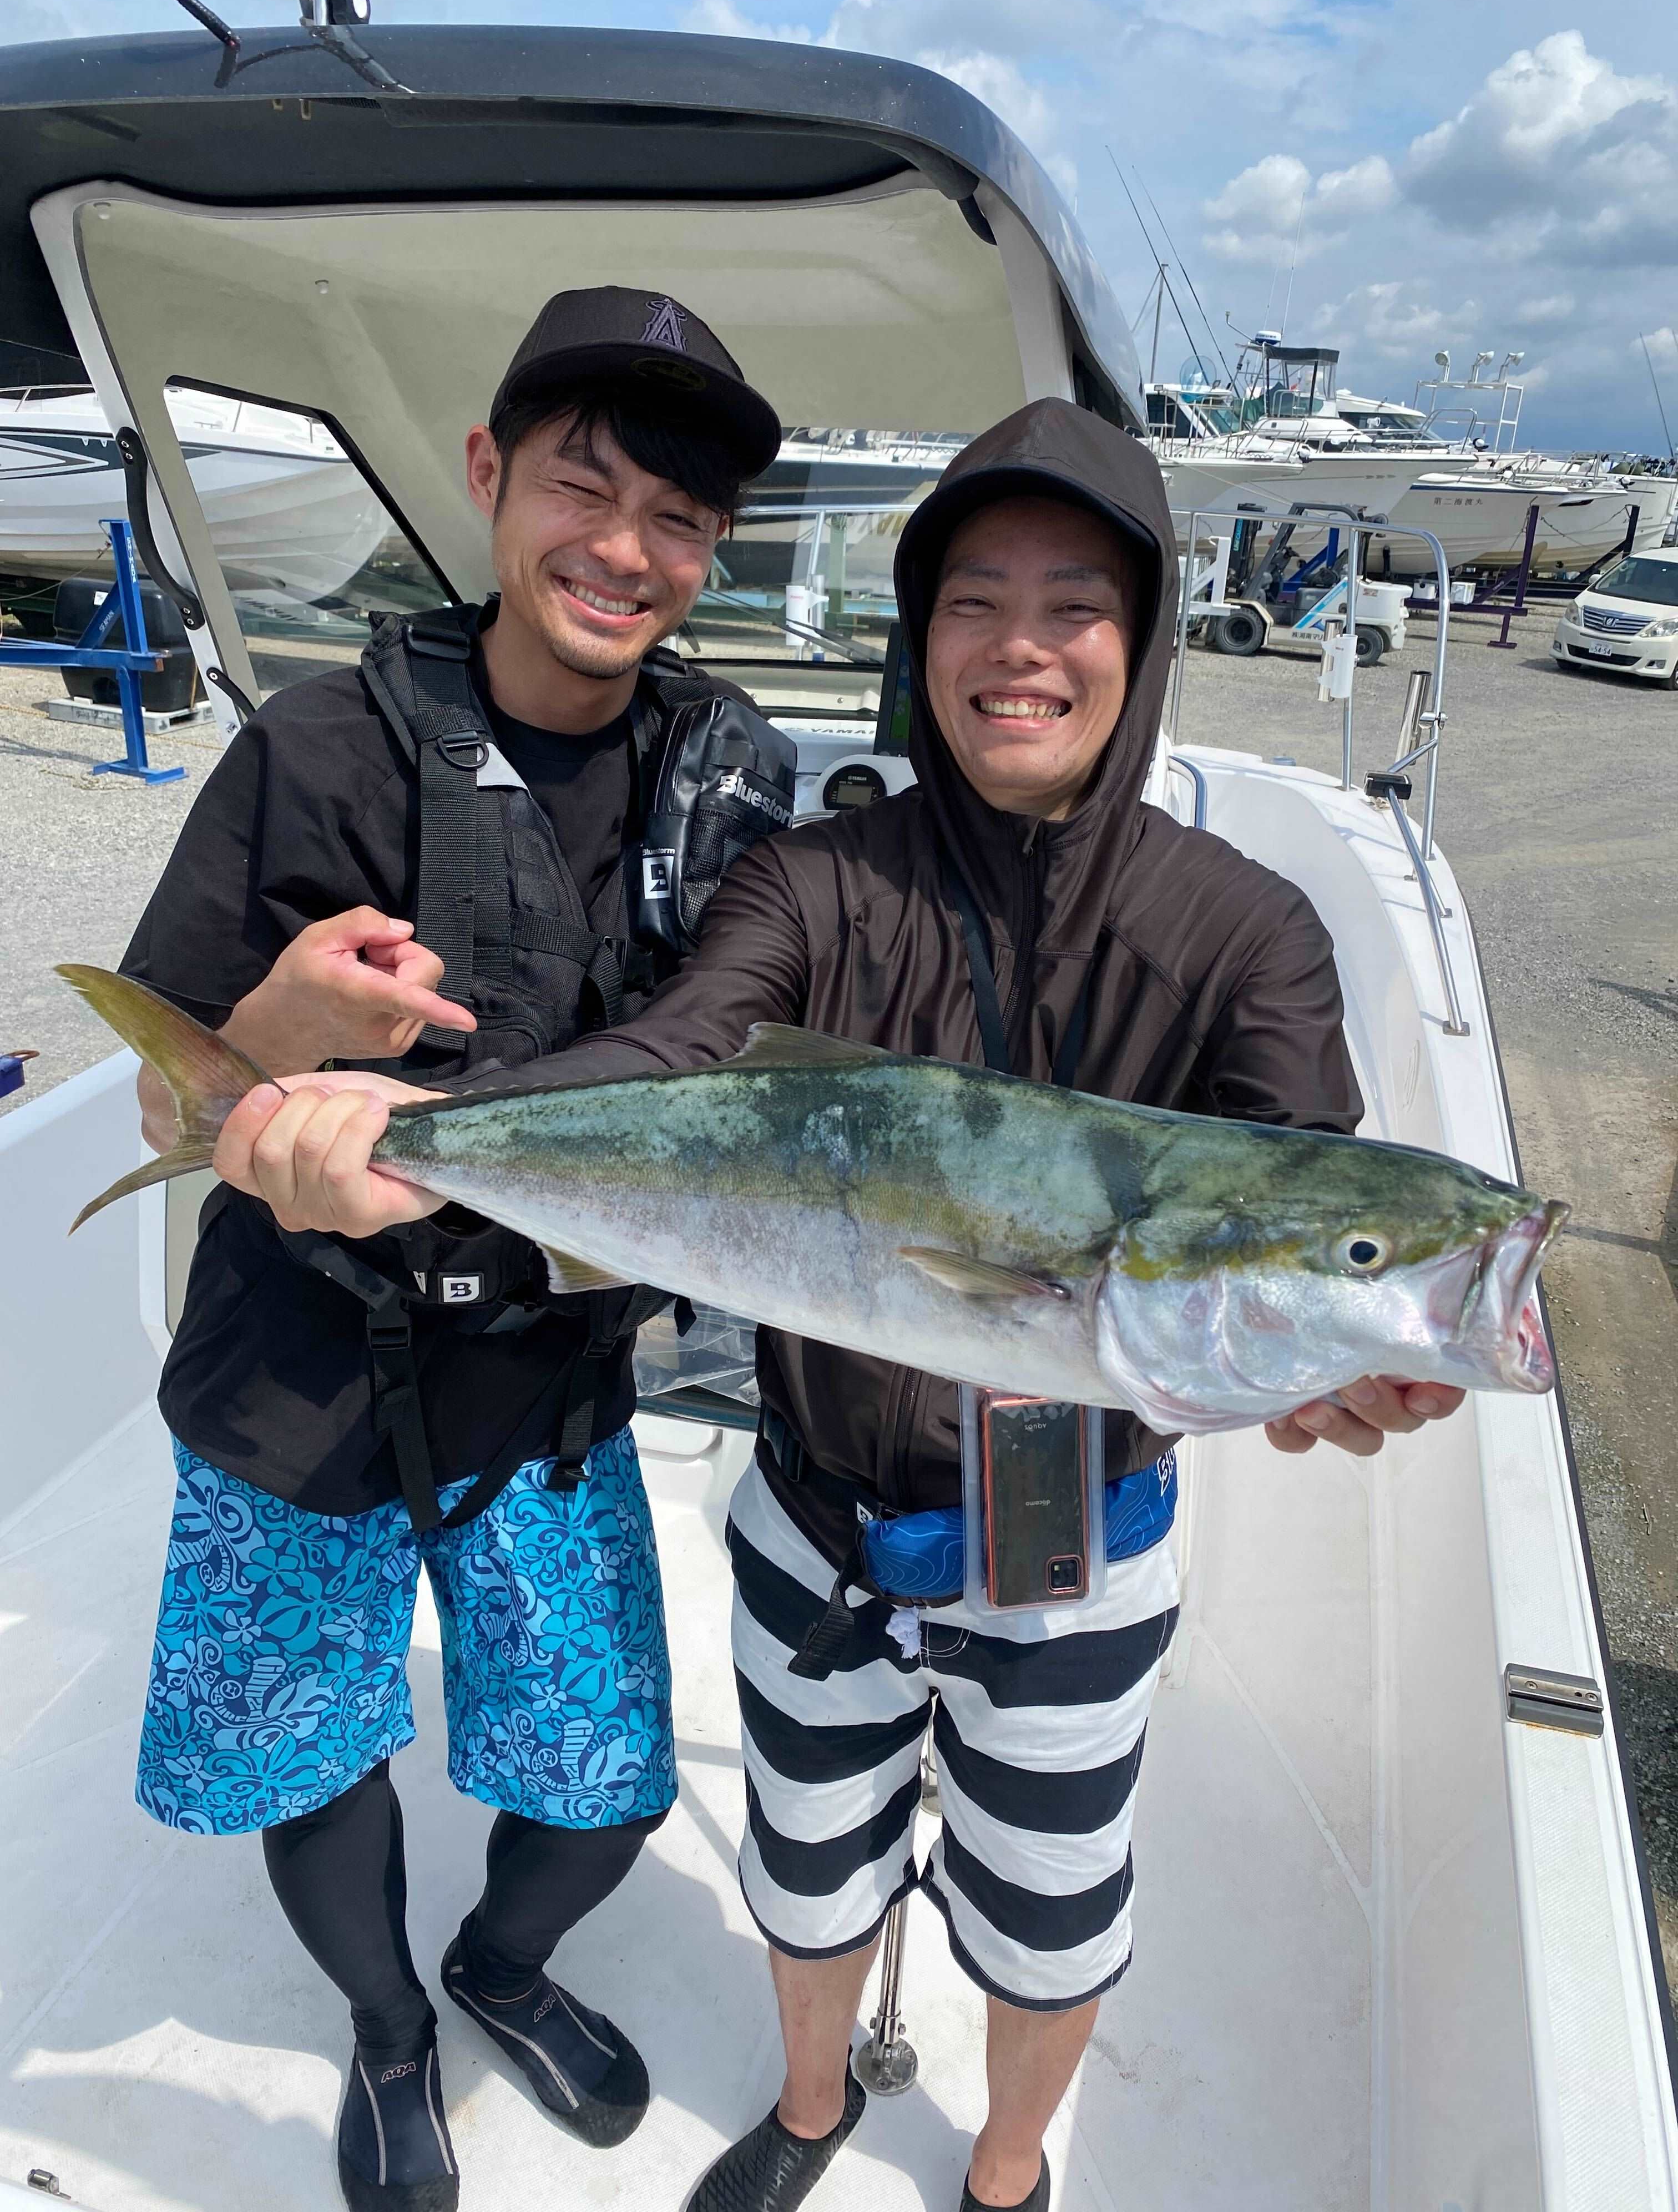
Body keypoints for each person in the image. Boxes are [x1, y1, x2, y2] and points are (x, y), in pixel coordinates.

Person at [213, 398, 1464, 2212]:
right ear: (920, 638)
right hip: (819, 1507)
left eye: (1074, 605)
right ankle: (810, 2113)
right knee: (806, 1865)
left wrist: (1327, 1353)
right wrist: (423, 1127)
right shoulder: (816, 878)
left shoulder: (1245, 927)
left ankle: (1008, 2174)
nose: (1020, 648)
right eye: (973, 601)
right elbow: (686, 1040)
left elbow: (1291, 1190)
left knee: (1048, 1906)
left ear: (1146, 641)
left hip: (1076, 1541)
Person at [120, 287, 787, 2212]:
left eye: (682, 519)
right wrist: (275, 1055)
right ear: (490, 480)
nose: (629, 550)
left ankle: (503, 1962)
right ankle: (393, 2031)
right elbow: (177, 1105)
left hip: (546, 1369)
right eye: (587, 487)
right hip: (297, 1353)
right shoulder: (322, 747)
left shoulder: (723, 778)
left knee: (600, 1781)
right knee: (304, 1751)